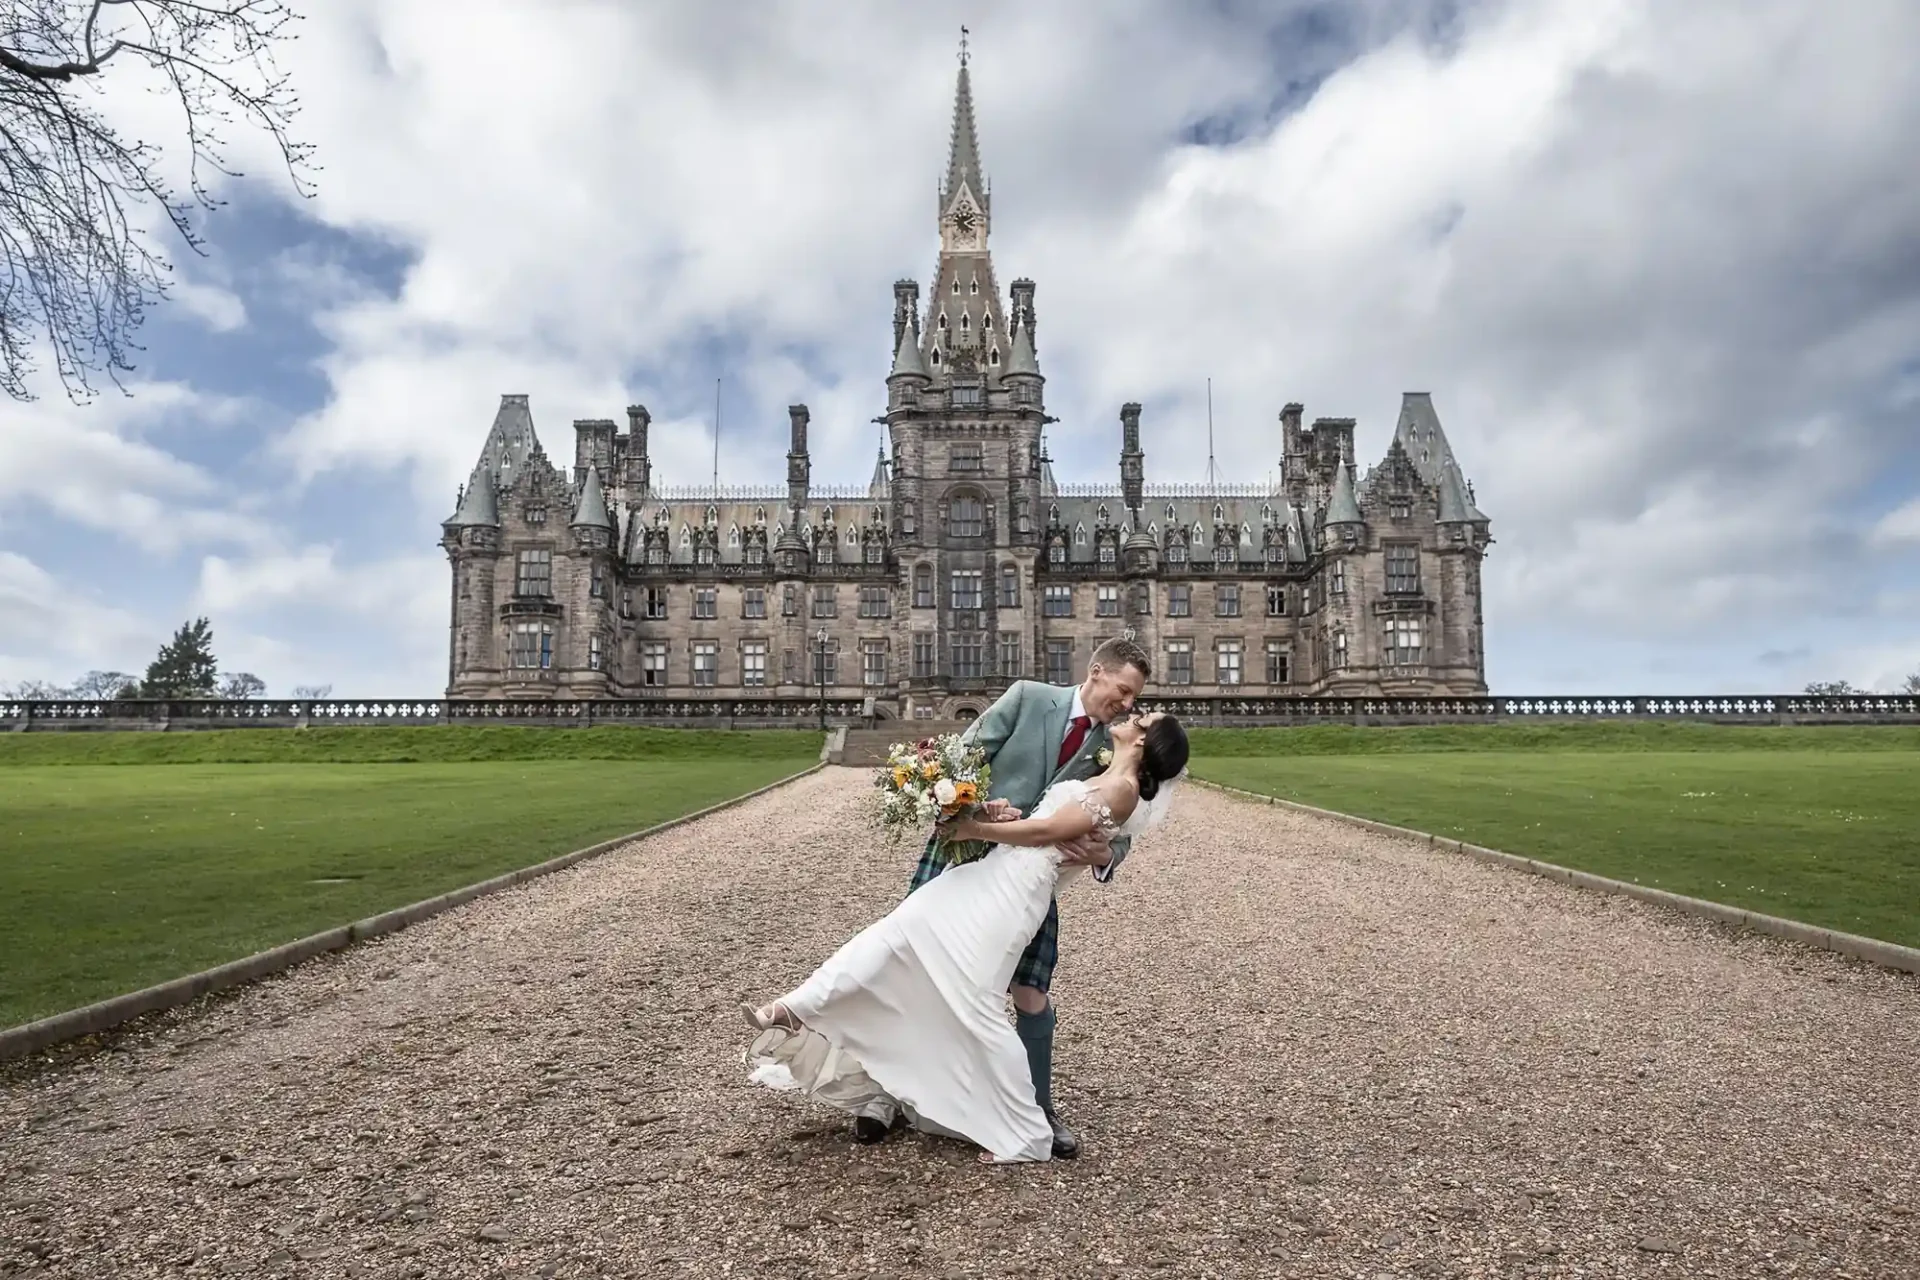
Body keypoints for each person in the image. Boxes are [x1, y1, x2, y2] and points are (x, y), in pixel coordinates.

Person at [743, 710, 1189, 1163]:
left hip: (1014, 896)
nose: (1132, 711)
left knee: (976, 1004)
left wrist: (975, 827)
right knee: (896, 933)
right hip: (988, 876)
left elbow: (1048, 831)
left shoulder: (1121, 789)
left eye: (1142, 716)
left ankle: (1026, 1134)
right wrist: (993, 811)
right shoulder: (1104, 774)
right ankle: (793, 1008)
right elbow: (1042, 818)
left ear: (1143, 742)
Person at [896, 635, 1153, 1156]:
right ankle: (882, 1095)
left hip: (1026, 882)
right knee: (909, 965)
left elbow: (1121, 830)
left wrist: (1105, 856)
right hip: (964, 855)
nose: (1128, 704)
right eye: (1123, 691)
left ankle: (1038, 1106)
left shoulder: (1122, 745)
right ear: (1097, 671)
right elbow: (959, 762)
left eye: (1134, 698)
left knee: (1030, 993)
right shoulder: (1028, 697)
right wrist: (982, 807)